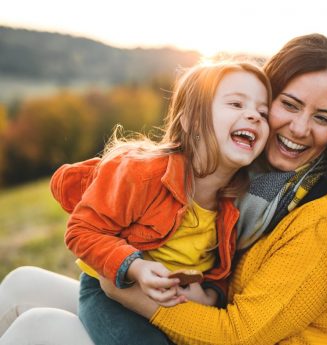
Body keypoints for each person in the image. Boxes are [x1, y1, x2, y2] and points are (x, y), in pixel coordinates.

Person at [0, 33, 327, 345]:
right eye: (288, 105)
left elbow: (241, 333)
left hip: (223, 336)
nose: (300, 128)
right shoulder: (252, 183)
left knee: (40, 328)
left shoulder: (323, 215)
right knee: (21, 283)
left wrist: (123, 286)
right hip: (183, 309)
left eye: (323, 117)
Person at [0, 61, 271, 345]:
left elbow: (220, 270)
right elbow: (81, 230)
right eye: (237, 104)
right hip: (112, 291)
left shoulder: (237, 201)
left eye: (263, 112)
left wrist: (209, 294)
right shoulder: (143, 173)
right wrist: (135, 268)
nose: (253, 115)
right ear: (190, 120)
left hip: (166, 307)